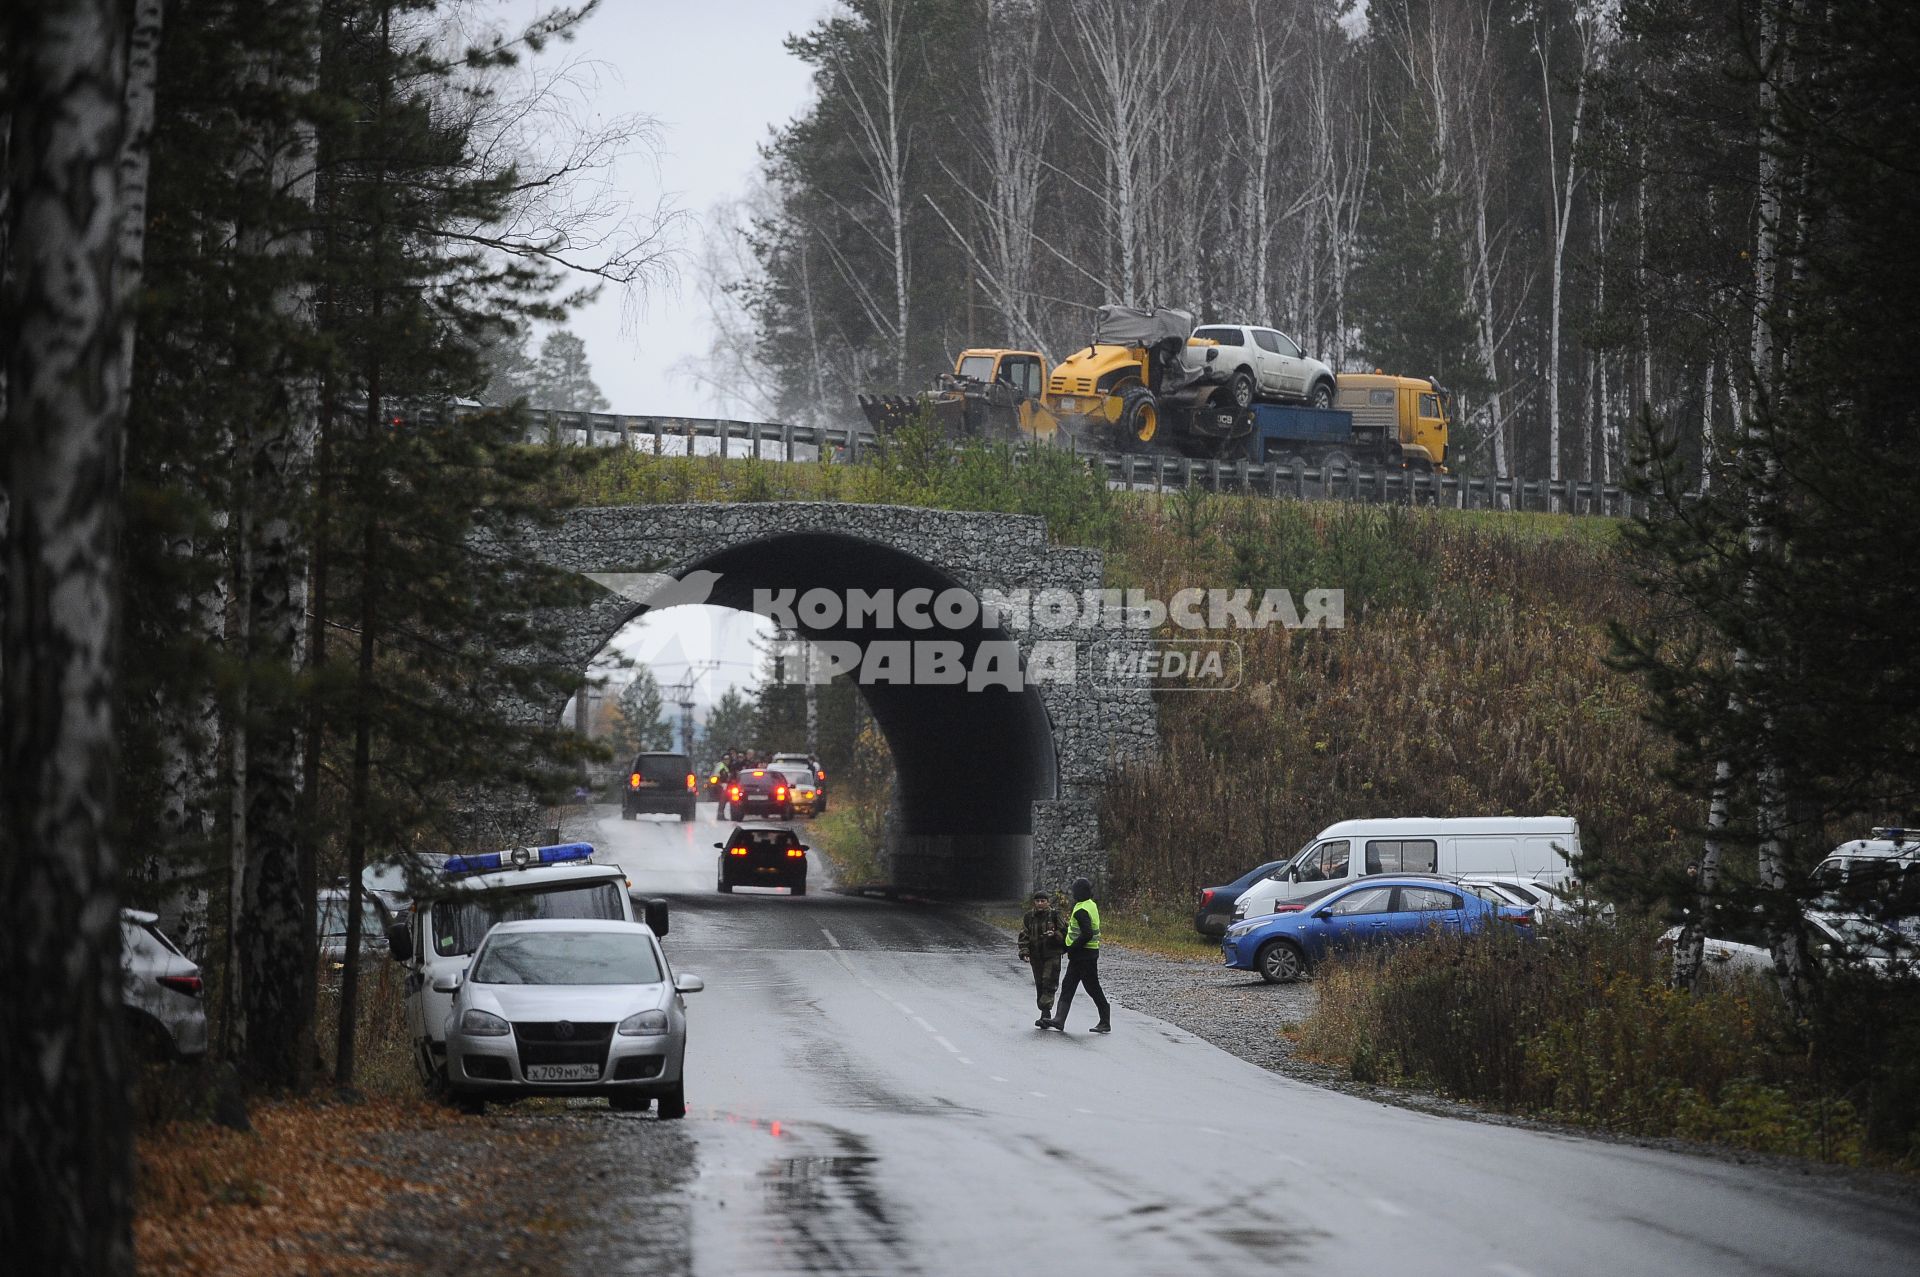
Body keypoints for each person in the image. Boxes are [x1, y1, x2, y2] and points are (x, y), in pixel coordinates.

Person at [1043, 877, 1110, 1033]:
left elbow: (1086, 933)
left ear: (1080, 892)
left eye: (1074, 891)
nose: (1073, 893)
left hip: (1083, 956)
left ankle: (1105, 1021)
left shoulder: (1081, 910)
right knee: (1069, 986)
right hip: (1084, 955)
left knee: (1092, 988)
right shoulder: (1090, 905)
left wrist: (1072, 948)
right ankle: (1059, 1020)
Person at [1017, 890, 1067, 1027]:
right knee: (1039, 982)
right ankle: (1044, 1012)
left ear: (1048, 902)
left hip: (1052, 954)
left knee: (1048, 981)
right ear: (1034, 902)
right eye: (1038, 901)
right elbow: (1024, 935)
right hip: (1036, 956)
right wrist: (1024, 951)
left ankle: (1046, 1013)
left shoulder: (1055, 915)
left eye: (1043, 901)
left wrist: (1055, 934)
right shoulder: (1029, 917)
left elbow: (1065, 932)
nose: (1040, 904)